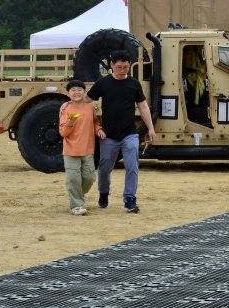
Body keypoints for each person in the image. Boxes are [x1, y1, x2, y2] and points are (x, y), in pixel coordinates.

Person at [86, 50, 156, 213]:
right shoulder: (103, 83)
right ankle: (104, 192)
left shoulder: (134, 84)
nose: (122, 70)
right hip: (108, 135)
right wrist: (68, 105)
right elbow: (86, 100)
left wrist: (151, 128)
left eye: (125, 67)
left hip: (130, 134)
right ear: (111, 65)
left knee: (132, 166)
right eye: (119, 67)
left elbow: (143, 106)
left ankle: (130, 199)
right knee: (105, 168)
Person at [59, 79, 105, 215]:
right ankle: (76, 205)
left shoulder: (89, 108)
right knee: (73, 178)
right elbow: (63, 132)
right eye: (73, 90)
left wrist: (99, 130)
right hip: (70, 151)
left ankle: (77, 196)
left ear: (84, 92)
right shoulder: (66, 110)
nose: (76, 92)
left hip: (87, 150)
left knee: (90, 178)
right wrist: (70, 122)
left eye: (80, 89)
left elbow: (95, 123)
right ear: (68, 93)